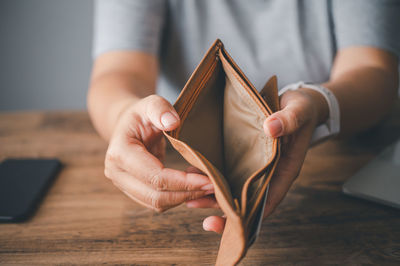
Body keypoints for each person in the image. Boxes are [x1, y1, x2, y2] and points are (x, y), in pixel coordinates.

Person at [88, 0, 400, 234]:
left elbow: (374, 71)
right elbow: (117, 73)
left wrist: (318, 104)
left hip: (336, 160)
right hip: (184, 166)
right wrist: (124, 117)